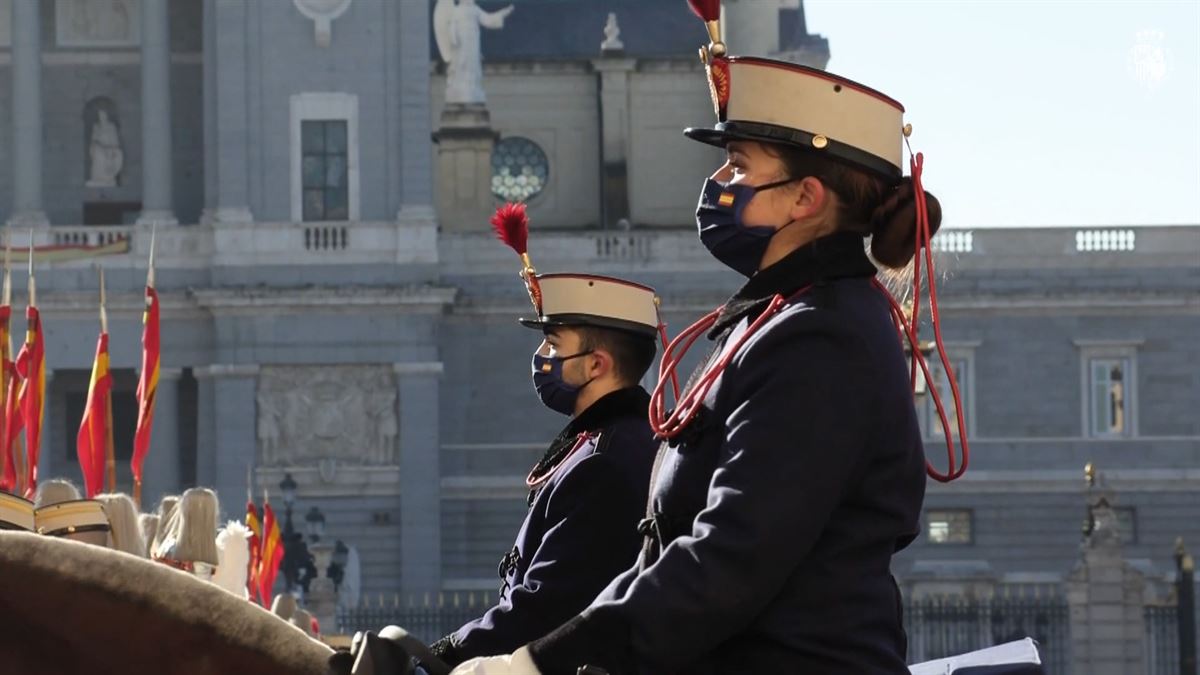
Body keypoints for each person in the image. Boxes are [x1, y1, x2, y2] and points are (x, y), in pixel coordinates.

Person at [446, 9, 971, 675]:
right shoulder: (779, 321)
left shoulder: (821, 338)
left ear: (805, 197)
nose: (717, 184)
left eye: (738, 166)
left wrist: (533, 666)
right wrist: (541, 657)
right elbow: (659, 560)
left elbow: (730, 556)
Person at [429, 259, 663, 667]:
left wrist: (441, 655)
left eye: (553, 345)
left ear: (597, 364)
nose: (541, 358)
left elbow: (544, 608)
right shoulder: (609, 441)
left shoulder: (603, 463)